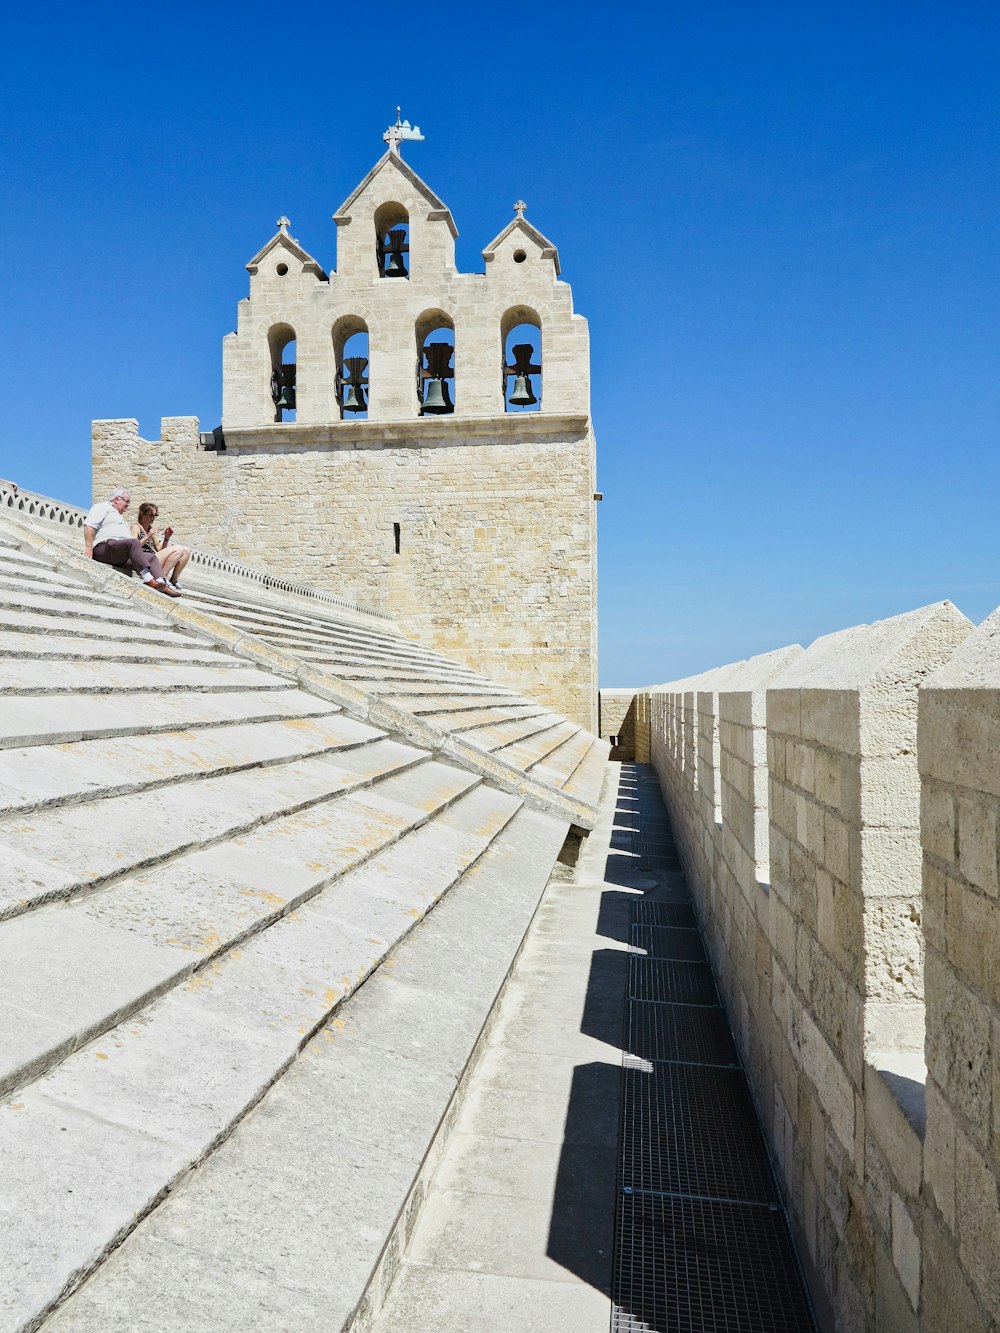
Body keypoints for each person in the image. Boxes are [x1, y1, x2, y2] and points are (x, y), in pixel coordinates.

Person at [82, 489, 181, 597]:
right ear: (116, 499)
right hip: (105, 547)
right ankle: (148, 579)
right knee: (134, 542)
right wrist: (88, 547)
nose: (128, 505)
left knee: (151, 557)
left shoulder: (121, 518)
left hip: (119, 554)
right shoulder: (103, 507)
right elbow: (90, 525)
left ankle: (161, 583)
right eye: (127, 501)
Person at [131, 502, 191, 590]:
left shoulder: (150, 529)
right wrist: (147, 536)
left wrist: (166, 538)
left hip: (153, 559)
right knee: (178, 549)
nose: (153, 518)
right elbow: (133, 547)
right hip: (145, 560)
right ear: (142, 515)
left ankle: (173, 580)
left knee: (186, 551)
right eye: (150, 515)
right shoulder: (136, 527)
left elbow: (160, 549)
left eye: (155, 515)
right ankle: (162, 578)